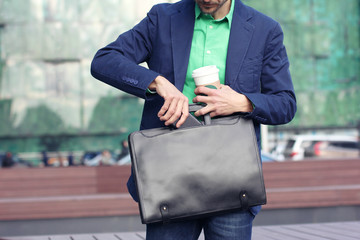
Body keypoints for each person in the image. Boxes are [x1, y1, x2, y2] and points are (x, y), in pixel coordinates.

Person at [91, 0, 297, 239]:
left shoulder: (265, 29)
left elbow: (285, 104)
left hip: (233, 177)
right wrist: (158, 82)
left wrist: (241, 102)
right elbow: (104, 60)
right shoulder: (162, 18)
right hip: (169, 178)